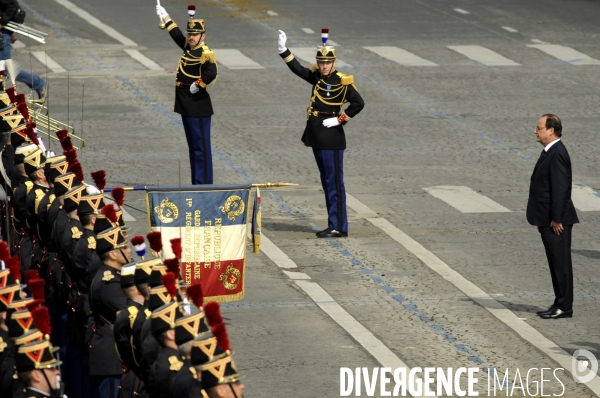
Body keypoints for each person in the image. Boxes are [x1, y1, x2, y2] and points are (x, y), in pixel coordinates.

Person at [277, 29, 364, 238]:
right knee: (327, 182)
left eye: (327, 63)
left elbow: (358, 102)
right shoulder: (317, 77)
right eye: (321, 62)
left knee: (334, 183)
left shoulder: (341, 82)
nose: (324, 66)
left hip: (331, 137)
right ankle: (333, 223)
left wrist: (340, 119)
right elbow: (298, 69)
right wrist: (283, 50)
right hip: (317, 136)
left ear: (334, 63)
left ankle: (339, 226)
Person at [155, 4, 217, 185]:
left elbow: (211, 72)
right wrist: (166, 17)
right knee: (193, 148)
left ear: (202, 36)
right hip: (185, 102)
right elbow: (176, 35)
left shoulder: (205, 52)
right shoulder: (190, 47)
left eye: (194, 35)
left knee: (201, 149)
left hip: (197, 104)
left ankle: (204, 185)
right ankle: (197, 183)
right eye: (190, 34)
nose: (190, 38)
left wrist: (198, 84)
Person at [526, 114, 578, 319]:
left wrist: (556, 218)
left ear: (551, 130)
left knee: (561, 263)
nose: (535, 131)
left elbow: (560, 188)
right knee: (555, 262)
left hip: (557, 221)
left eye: (538, 128)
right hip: (547, 219)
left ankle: (565, 306)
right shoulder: (549, 152)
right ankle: (559, 302)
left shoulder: (557, 153)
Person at [88, 226, 131, 398]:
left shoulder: (112, 276)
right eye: (124, 247)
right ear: (113, 254)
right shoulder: (110, 283)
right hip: (112, 355)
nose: (129, 250)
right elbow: (131, 313)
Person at [0, 1, 47, 99]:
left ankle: (38, 83)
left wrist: (3, 23)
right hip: (4, 33)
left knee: (5, 69)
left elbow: (11, 5)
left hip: (2, 35)